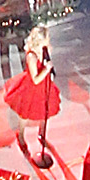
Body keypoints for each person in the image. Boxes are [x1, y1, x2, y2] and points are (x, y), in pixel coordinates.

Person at [6, 26, 61, 171]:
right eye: (46, 38)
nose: (48, 41)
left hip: (45, 85)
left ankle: (41, 133)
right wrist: (47, 69)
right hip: (33, 86)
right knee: (26, 112)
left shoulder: (44, 49)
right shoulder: (31, 56)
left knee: (45, 109)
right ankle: (21, 136)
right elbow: (35, 79)